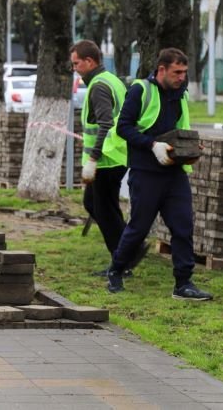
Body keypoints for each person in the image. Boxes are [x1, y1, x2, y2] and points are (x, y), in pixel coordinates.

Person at [108, 48, 212, 300]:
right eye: (177, 72)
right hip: (146, 172)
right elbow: (123, 127)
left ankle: (183, 284)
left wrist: (190, 148)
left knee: (183, 226)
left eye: (184, 72)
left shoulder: (180, 93)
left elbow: (180, 129)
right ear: (162, 69)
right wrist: (152, 145)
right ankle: (116, 270)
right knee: (139, 228)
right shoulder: (140, 91)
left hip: (174, 172)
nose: (182, 77)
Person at [70, 40, 138, 277]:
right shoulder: (111, 79)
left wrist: (93, 159)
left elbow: (106, 124)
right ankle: (126, 254)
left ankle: (124, 260)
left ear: (89, 61)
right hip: (114, 155)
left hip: (107, 159)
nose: (74, 68)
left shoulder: (99, 85)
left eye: (76, 63)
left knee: (104, 209)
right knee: (95, 204)